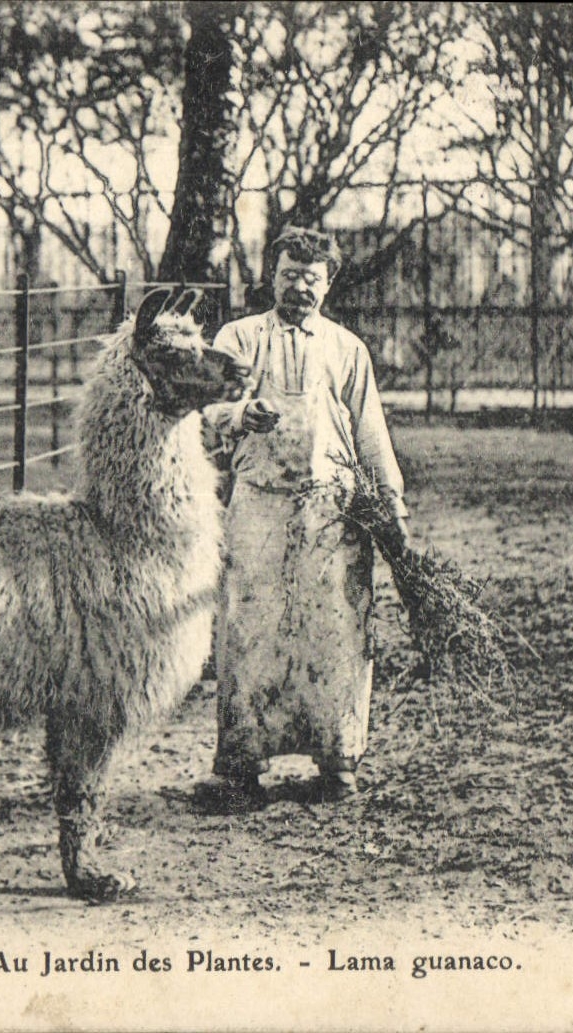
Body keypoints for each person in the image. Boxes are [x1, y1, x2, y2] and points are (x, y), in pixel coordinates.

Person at [199, 227, 410, 810]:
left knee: (337, 629)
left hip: (331, 510)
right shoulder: (238, 338)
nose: (298, 289)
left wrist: (391, 501)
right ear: (273, 275)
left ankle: (337, 761)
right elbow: (207, 410)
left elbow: (372, 431)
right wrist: (241, 414)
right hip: (259, 502)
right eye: (289, 276)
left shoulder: (346, 348)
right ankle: (239, 764)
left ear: (328, 283)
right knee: (248, 627)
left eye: (311, 279)